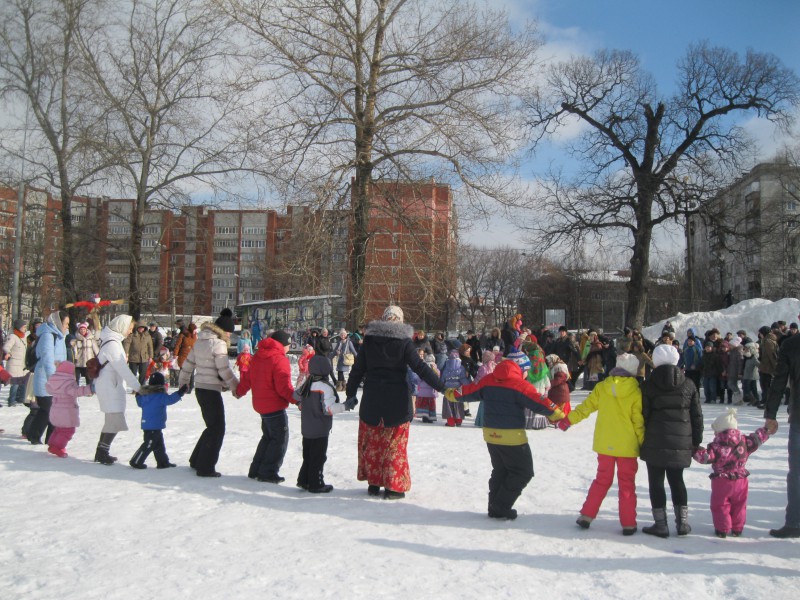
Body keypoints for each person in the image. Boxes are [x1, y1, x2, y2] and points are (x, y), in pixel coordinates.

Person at [344, 305, 446, 500]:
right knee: (394, 445)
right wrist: (442, 387)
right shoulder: (404, 342)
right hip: (397, 400)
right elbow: (421, 368)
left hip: (372, 399)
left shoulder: (370, 341)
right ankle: (393, 487)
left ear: (383, 319)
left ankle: (374, 483)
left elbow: (357, 370)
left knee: (374, 443)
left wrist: (350, 394)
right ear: (400, 320)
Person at [452, 353, 564, 520]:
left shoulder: (488, 380)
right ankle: (501, 506)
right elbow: (539, 402)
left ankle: (494, 507)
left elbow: (467, 392)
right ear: (521, 369)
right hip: (512, 437)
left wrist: (449, 393)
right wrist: (559, 415)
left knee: (501, 470)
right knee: (523, 472)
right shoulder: (520, 385)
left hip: (491, 435)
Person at [556, 353, 644, 535]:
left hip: (605, 444)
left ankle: (587, 515)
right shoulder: (635, 391)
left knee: (602, 480)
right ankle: (628, 523)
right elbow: (638, 421)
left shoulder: (602, 387)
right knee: (627, 483)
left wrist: (568, 420)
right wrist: (644, 443)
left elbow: (586, 407)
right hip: (627, 446)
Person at [640, 344, 703, 538]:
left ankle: (660, 524)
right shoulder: (689, 384)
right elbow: (696, 416)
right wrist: (696, 441)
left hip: (655, 438)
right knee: (677, 481)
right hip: (681, 440)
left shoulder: (648, 384)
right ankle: (682, 523)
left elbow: (644, 415)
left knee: (656, 482)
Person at [180, 308, 240, 478]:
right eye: (229, 332)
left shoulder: (200, 341)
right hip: (211, 390)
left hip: (200, 388)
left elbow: (188, 364)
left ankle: (196, 459)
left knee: (211, 426)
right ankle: (205, 467)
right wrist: (236, 386)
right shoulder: (219, 344)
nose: (229, 336)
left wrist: (183, 382)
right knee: (217, 429)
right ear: (223, 331)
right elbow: (224, 369)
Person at [693, 408, 770, 538]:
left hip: (721, 481)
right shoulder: (745, 441)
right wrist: (766, 430)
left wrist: (694, 450)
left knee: (720, 505)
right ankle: (737, 528)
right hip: (741, 480)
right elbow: (757, 439)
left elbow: (705, 457)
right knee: (739, 504)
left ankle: (722, 529)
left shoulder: (716, 445)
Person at [236, 330, 295, 483]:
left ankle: (256, 469)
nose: (289, 347)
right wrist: (298, 400)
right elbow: (284, 388)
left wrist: (239, 391)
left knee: (268, 437)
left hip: (261, 404)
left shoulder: (258, 356)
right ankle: (268, 472)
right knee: (279, 440)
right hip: (274, 406)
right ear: (283, 345)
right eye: (288, 345)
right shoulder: (279, 359)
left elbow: (247, 378)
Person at [763, 317, 800, 538]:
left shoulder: (791, 344)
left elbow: (778, 381)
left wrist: (771, 414)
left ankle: (795, 521)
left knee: (796, 472)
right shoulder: (791, 344)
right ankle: (794, 521)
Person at [293, 355, 350, 493]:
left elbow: (295, 396)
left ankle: (304, 480)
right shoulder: (325, 387)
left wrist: (302, 403)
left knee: (308, 455)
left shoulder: (307, 383)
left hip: (306, 428)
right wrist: (345, 406)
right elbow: (328, 409)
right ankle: (316, 483)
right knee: (318, 457)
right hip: (320, 429)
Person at [93, 315, 142, 464]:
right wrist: (139, 388)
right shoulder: (113, 344)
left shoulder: (113, 341)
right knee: (114, 421)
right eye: (129, 328)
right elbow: (123, 370)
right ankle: (102, 452)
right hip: (110, 387)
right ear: (121, 327)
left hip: (110, 385)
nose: (130, 332)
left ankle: (101, 451)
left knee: (112, 421)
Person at [129, 372, 188, 469]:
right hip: (154, 426)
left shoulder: (145, 396)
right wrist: (180, 392)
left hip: (148, 425)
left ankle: (163, 462)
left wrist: (138, 395)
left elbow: (139, 402)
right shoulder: (160, 396)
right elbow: (170, 399)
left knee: (159, 445)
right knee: (149, 444)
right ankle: (136, 461)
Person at [28, 310, 69, 445]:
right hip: (46, 380)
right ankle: (34, 435)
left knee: (52, 410)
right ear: (58, 322)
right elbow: (47, 359)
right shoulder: (48, 335)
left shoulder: (59, 336)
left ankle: (48, 438)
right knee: (48, 409)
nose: (67, 326)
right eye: (66, 324)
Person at [44, 360, 94, 458]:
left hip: (55, 410)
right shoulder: (68, 383)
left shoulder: (53, 381)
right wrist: (90, 389)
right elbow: (76, 391)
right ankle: (57, 446)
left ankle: (52, 444)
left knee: (59, 429)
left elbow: (48, 389)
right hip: (66, 412)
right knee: (68, 431)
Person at [440, 349, 470, 426]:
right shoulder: (461, 367)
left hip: (448, 389)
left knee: (448, 406)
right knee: (458, 405)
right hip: (458, 389)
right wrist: (467, 384)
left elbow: (442, 378)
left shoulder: (446, 366)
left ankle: (451, 422)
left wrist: (442, 386)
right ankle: (458, 420)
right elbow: (463, 379)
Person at [2, 318, 28, 406]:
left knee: (23, 383)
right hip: (14, 364)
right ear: (18, 327)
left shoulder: (23, 337)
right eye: (24, 326)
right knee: (15, 383)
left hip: (21, 364)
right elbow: (6, 347)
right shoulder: (13, 336)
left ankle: (20, 398)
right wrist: (8, 353)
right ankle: (11, 400)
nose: (25, 328)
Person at [124, 321, 154, 385]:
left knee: (143, 373)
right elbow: (127, 343)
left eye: (143, 328)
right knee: (133, 373)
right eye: (140, 327)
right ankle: (134, 387)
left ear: (145, 328)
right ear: (137, 328)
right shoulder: (132, 335)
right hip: (133, 357)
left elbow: (150, 347)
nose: (141, 329)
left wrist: (151, 356)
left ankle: (141, 387)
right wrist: (126, 352)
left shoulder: (147, 336)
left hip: (144, 357)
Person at [414, 354, 440, 423]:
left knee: (423, 405)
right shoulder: (435, 369)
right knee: (431, 404)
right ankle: (431, 417)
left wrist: (420, 384)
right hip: (432, 391)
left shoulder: (423, 368)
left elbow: (417, 379)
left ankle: (425, 417)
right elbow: (438, 377)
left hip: (423, 391)